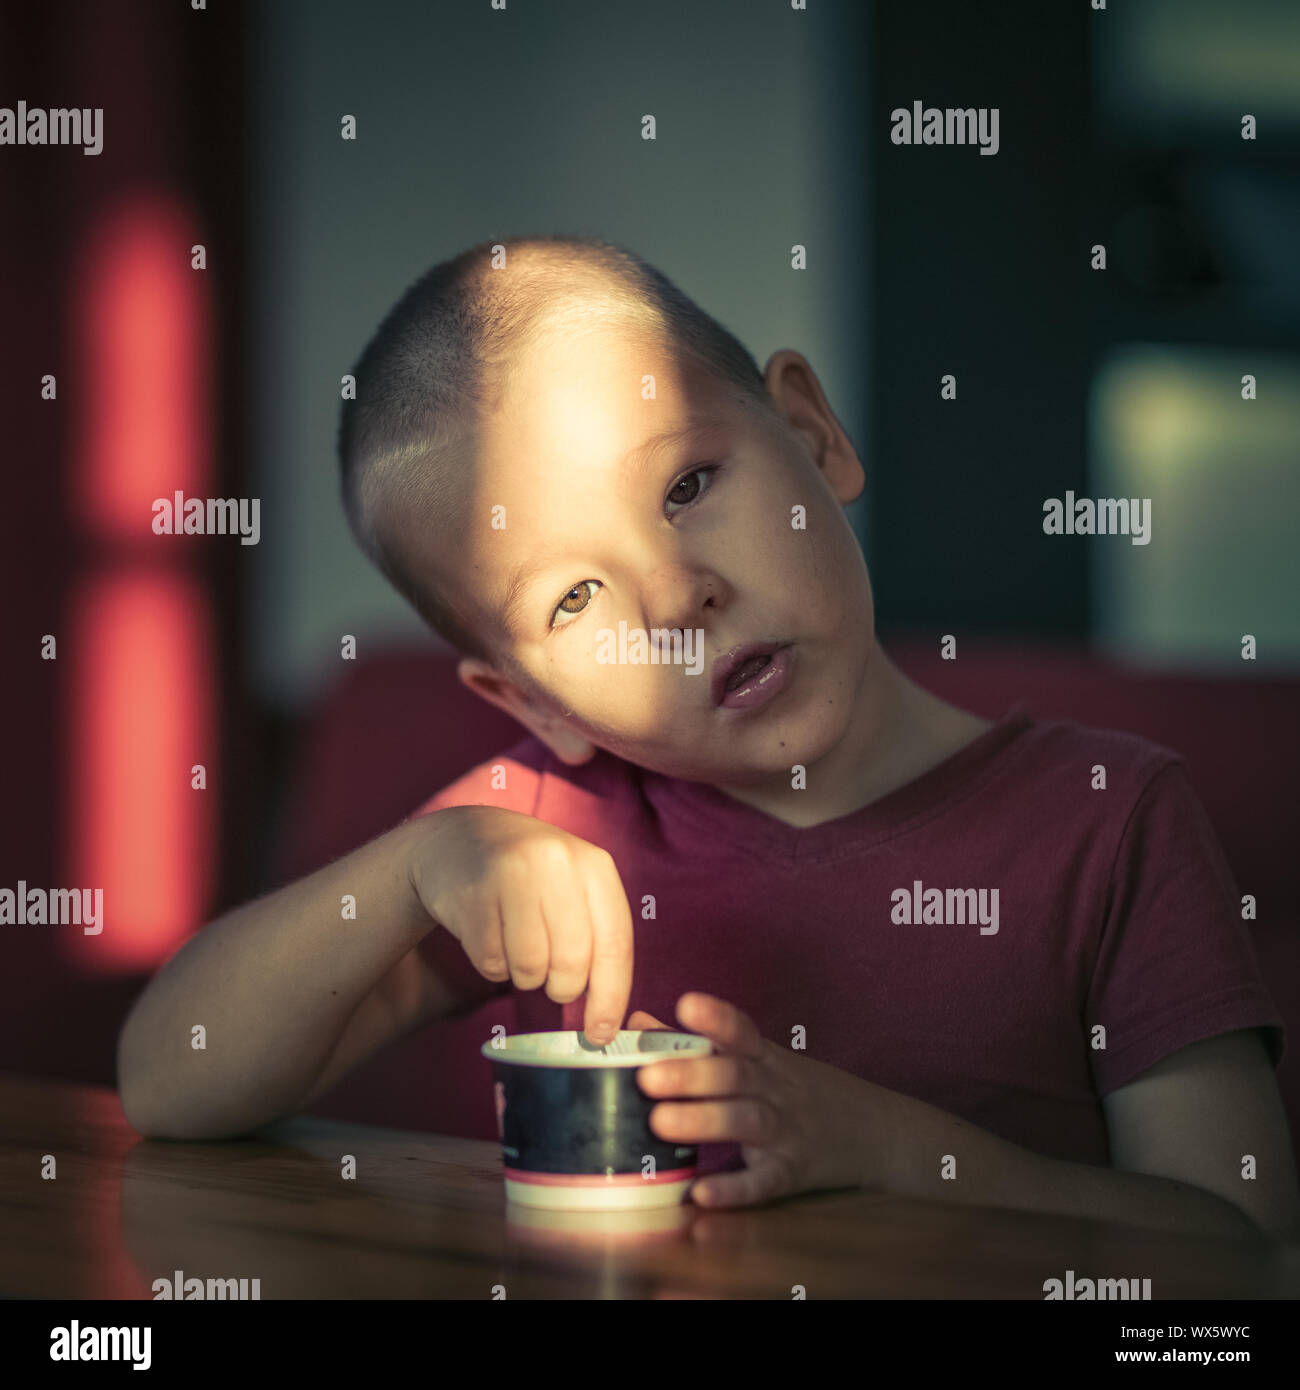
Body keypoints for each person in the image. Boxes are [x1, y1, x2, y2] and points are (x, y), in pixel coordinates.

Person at [118, 236, 1297, 1240]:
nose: (675, 597)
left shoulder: (1109, 818)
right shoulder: (534, 835)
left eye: (686, 487)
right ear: (535, 701)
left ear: (813, 432)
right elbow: (173, 1079)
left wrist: (900, 1153)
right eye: (572, 599)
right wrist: (405, 871)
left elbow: (1239, 1238)